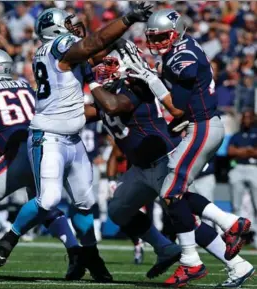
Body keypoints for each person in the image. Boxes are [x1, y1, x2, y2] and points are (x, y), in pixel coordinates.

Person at [0, 3, 153, 280]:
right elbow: (95, 43)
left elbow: (96, 48)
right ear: (56, 28)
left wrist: (118, 40)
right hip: (49, 137)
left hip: (73, 139)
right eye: (66, 24)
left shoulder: (54, 52)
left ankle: (91, 258)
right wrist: (127, 20)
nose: (72, 28)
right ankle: (9, 238)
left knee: (84, 202)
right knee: (49, 199)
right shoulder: (59, 46)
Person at [83, 39, 254, 287]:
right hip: (139, 168)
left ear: (127, 63)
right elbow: (89, 112)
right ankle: (165, 248)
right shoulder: (111, 91)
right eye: (102, 64)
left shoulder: (137, 85)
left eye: (109, 63)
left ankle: (236, 262)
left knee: (187, 218)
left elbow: (112, 105)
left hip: (163, 160)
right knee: (118, 211)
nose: (103, 69)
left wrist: (90, 80)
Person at [127, 9, 252, 287]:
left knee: (171, 192)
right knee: (176, 193)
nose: (157, 42)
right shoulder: (182, 48)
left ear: (176, 32)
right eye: (154, 37)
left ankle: (191, 261)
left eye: (162, 37)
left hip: (202, 126)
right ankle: (230, 228)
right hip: (201, 126)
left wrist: (151, 80)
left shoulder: (182, 56)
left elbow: (177, 108)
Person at [0, 48, 83, 278]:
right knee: (43, 205)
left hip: (17, 155)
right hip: (42, 150)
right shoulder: (26, 87)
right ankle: (75, 251)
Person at [228, 110, 257, 248]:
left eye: (249, 117)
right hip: (238, 167)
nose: (246, 120)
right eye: (244, 117)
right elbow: (230, 151)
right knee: (236, 204)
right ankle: (237, 236)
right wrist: (249, 150)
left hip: (253, 168)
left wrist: (241, 151)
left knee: (256, 203)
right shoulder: (236, 135)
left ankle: (255, 237)